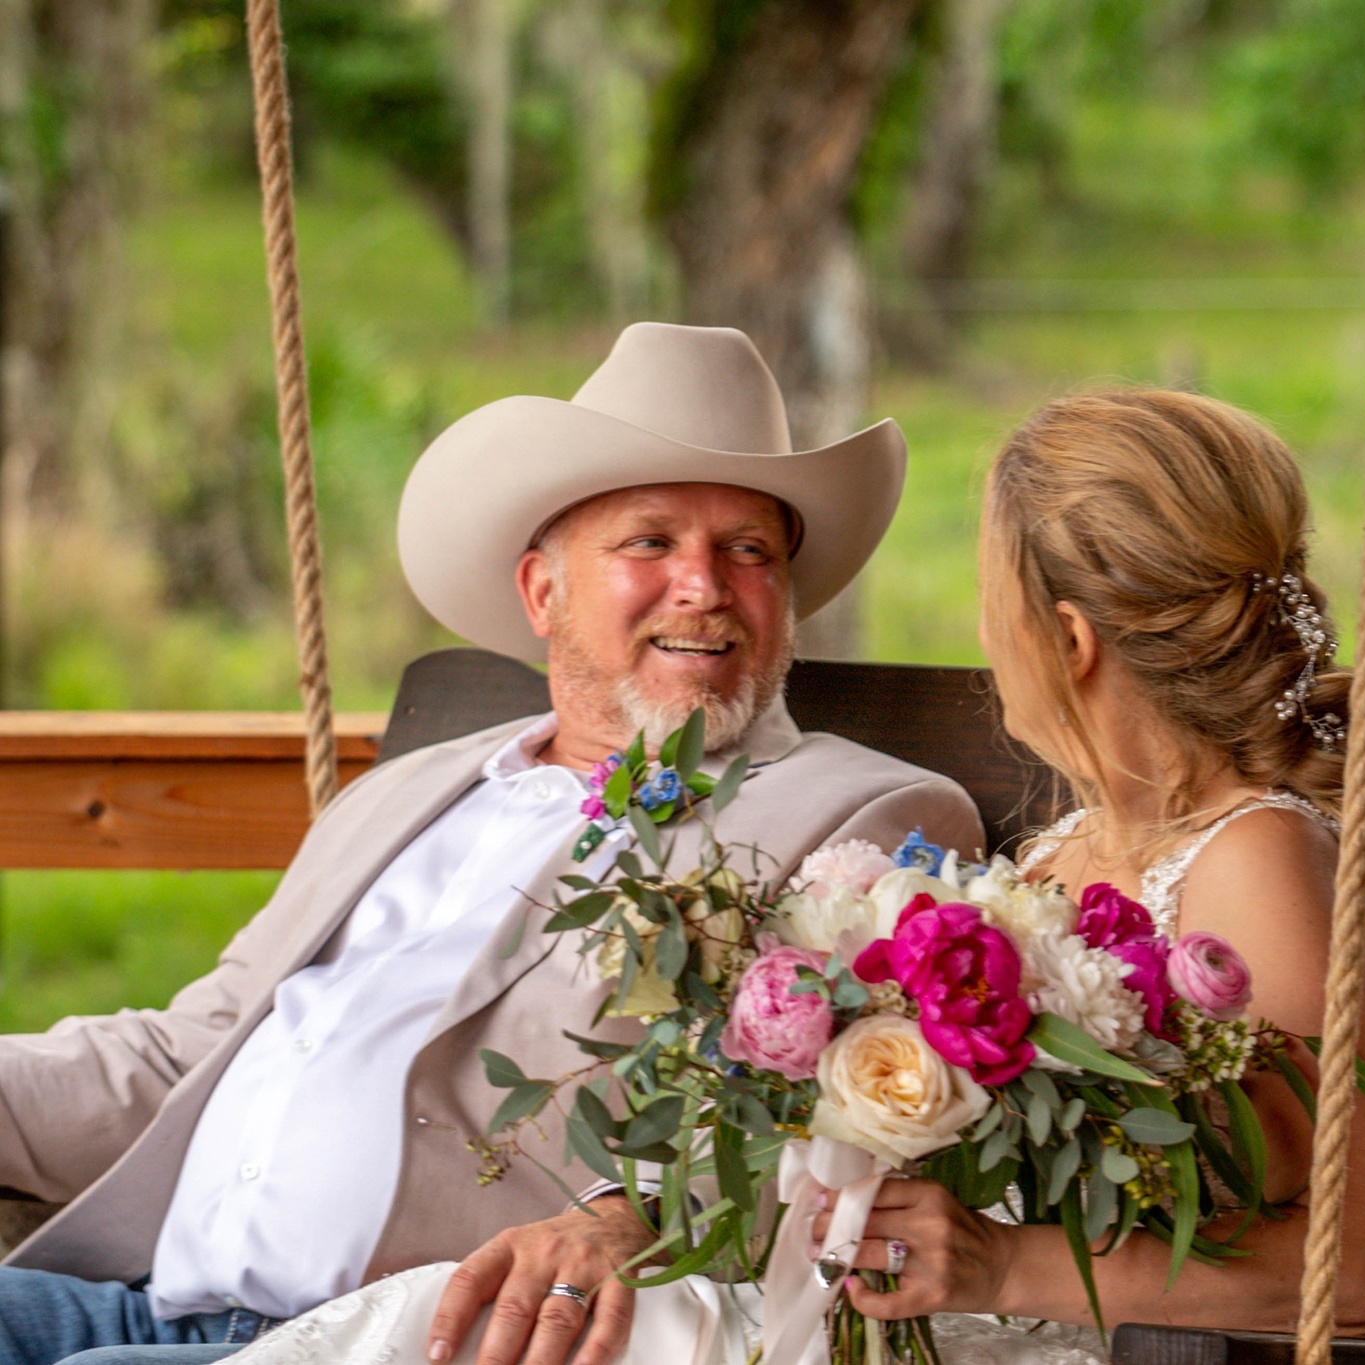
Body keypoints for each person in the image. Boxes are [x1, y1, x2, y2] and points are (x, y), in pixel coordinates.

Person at [197, 387, 1365, 1365]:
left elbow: (1349, 1275)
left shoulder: (1253, 861)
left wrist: (997, 1265)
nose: (983, 638)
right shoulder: (1056, 858)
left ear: (1067, 642)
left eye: (992, 601)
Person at [0, 323, 984, 1365]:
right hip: (147, 1299)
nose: (702, 585)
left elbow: (838, 1132)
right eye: (650, 541)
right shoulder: (409, 789)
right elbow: (189, 1052)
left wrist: (632, 1217)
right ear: (541, 592)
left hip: (402, 1339)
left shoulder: (861, 818)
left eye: (748, 550)